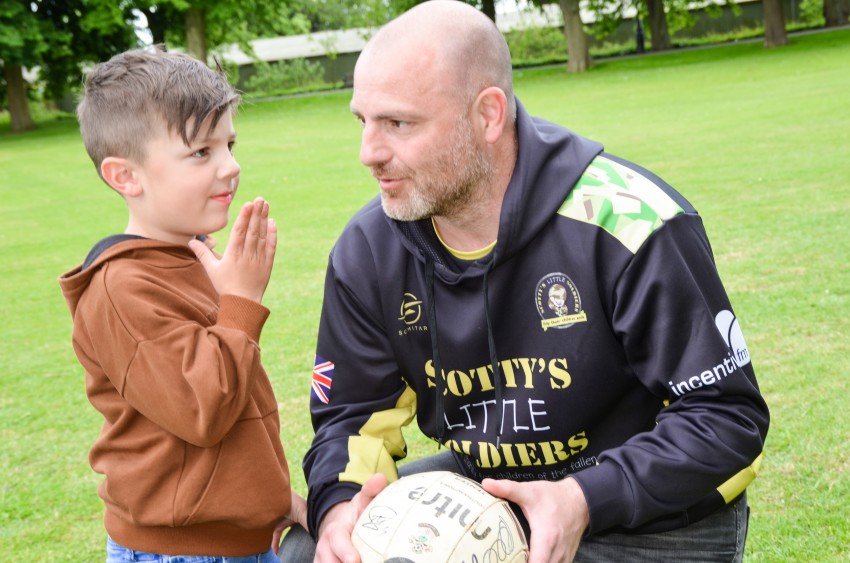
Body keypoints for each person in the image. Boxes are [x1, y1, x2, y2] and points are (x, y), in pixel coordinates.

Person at [282, 1, 770, 562]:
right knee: (310, 549)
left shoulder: (628, 221)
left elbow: (727, 418)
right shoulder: (369, 249)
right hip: (493, 493)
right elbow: (350, 419)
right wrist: (342, 509)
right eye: (362, 121)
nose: (368, 153)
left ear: (488, 115)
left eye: (398, 123)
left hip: (650, 517)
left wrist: (583, 497)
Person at [59, 46, 307, 562]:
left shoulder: (189, 258)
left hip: (235, 538)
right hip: (183, 550)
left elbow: (230, 422)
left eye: (229, 145)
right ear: (126, 176)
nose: (231, 166)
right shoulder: (122, 289)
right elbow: (202, 409)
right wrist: (240, 299)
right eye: (201, 152)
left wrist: (271, 498)